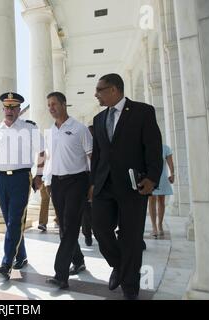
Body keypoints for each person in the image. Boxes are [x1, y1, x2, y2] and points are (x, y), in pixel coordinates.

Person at [90, 74, 163, 300]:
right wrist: (93, 183)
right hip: (105, 185)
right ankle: (119, 266)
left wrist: (152, 178)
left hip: (134, 186)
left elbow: (153, 147)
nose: (96, 94)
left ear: (113, 90)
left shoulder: (143, 112)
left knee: (130, 238)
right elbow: (98, 156)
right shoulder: (99, 118)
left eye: (99, 90)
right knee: (100, 229)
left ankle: (130, 287)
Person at [0, 92, 44, 281]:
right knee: (10, 222)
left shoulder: (29, 128)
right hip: (1, 179)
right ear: (3, 109)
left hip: (21, 178)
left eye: (14, 107)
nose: (10, 110)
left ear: (19, 110)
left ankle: (6, 264)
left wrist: (39, 175)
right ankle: (21, 256)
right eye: (7, 107)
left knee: (15, 221)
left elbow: (41, 152)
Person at [43, 92, 92, 289]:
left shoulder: (79, 129)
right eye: (48, 105)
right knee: (64, 226)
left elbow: (92, 156)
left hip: (77, 181)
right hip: (57, 182)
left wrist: (92, 184)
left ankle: (61, 274)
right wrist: (47, 179)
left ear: (64, 104)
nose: (51, 108)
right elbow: (50, 158)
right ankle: (78, 261)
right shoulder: (51, 131)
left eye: (54, 104)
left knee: (71, 226)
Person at [149, 144, 174, 238]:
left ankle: (159, 225)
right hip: (150, 178)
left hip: (162, 178)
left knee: (161, 201)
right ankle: (154, 227)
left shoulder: (165, 148)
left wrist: (173, 174)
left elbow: (170, 162)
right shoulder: (146, 146)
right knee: (151, 200)